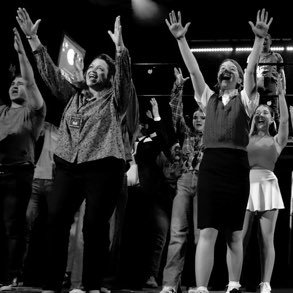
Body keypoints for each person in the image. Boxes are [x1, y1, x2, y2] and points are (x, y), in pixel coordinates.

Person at [16, 7, 132, 293]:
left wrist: (120, 51)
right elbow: (52, 76)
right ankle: (53, 283)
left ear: (109, 77)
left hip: (103, 166)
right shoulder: (73, 95)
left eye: (100, 70)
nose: (94, 71)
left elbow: (124, 82)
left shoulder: (115, 100)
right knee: (55, 221)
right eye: (91, 68)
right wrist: (34, 41)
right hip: (68, 165)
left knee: (93, 226)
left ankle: (92, 284)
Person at [165, 8, 271, 293]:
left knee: (235, 233)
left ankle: (233, 284)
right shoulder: (207, 99)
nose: (227, 71)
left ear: (237, 79)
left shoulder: (247, 100)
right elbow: (193, 70)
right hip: (210, 165)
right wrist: (181, 41)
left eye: (232, 69)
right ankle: (201, 288)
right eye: (223, 69)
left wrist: (258, 41)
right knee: (207, 230)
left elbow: (250, 70)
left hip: (236, 165)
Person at [0, 27, 45, 291]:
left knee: (11, 226)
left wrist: (21, 55)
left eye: (20, 84)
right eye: (12, 84)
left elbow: (30, 82)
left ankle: (12, 276)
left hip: (18, 175)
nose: (16, 86)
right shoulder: (2, 111)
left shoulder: (33, 114)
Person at [160, 67, 205, 293]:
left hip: (205, 183)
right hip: (185, 181)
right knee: (177, 233)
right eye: (195, 116)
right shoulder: (186, 133)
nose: (198, 118)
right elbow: (175, 113)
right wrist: (178, 87)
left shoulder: (214, 136)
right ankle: (169, 284)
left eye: (202, 116)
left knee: (201, 236)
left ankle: (199, 284)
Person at [242, 82, 289, 293]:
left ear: (271, 119)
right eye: (258, 112)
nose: (261, 114)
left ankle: (265, 283)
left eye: (265, 112)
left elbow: (286, 120)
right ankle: (234, 281)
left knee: (266, 240)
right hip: (246, 186)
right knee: (239, 238)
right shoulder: (244, 138)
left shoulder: (277, 140)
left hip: (268, 185)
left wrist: (280, 94)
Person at [23, 121, 58, 287]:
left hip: (54, 181)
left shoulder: (67, 130)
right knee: (27, 225)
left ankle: (51, 271)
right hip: (36, 179)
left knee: (53, 228)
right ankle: (20, 272)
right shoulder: (47, 126)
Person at [253, 33, 286, 128]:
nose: (264, 41)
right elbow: (249, 74)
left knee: (274, 113)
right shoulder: (253, 56)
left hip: (272, 91)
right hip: (258, 91)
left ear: (270, 41)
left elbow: (282, 74)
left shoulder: (277, 56)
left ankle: (278, 137)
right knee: (256, 113)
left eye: (266, 39)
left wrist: (283, 89)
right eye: (262, 39)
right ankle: (256, 137)